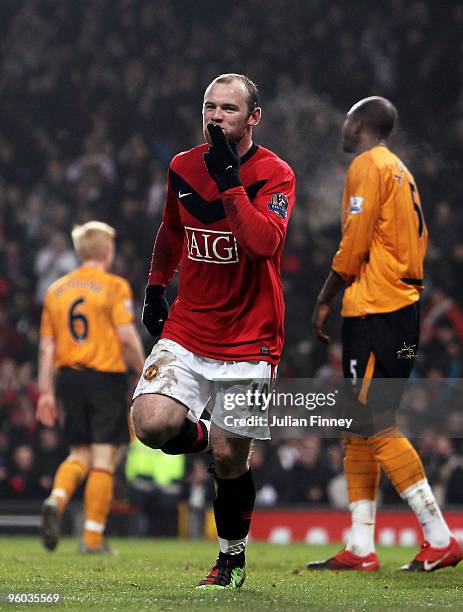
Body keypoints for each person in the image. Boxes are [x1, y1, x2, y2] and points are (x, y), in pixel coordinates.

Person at [131, 73, 296, 588]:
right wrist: (156, 286)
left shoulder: (276, 173)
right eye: (210, 106)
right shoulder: (182, 166)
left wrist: (229, 182)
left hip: (252, 333)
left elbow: (264, 244)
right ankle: (199, 432)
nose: (216, 117)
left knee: (230, 453)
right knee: (150, 424)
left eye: (228, 108)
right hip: (189, 323)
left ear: (253, 117)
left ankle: (231, 559)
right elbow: (171, 229)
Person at [307, 96, 462, 572]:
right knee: (359, 427)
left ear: (362, 125)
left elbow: (353, 241)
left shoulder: (367, 165)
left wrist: (325, 295)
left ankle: (440, 537)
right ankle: (360, 546)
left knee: (375, 423)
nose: (344, 126)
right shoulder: (400, 170)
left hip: (377, 309)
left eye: (349, 118)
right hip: (399, 311)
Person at [36, 221, 145, 553]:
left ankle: (57, 498)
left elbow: (46, 347)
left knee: (78, 453)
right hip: (104, 378)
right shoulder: (114, 287)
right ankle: (92, 538)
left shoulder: (55, 290)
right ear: (106, 251)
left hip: (68, 379)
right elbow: (126, 339)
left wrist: (46, 392)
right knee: (104, 457)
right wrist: (143, 373)